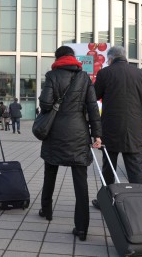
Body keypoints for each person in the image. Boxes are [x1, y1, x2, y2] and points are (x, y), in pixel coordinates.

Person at [38, 46, 102, 242]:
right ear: (73, 58)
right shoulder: (84, 77)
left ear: (58, 58)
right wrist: (97, 135)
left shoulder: (52, 75)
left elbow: (46, 104)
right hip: (78, 132)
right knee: (80, 181)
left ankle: (47, 210)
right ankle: (82, 228)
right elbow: (92, 107)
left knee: (50, 171)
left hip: (55, 131)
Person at [92, 46, 142, 209]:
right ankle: (141, 204)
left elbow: (94, 97)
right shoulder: (141, 74)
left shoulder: (105, 73)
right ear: (125, 57)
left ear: (111, 58)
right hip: (134, 131)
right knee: (136, 170)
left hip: (110, 130)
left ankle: (105, 201)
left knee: (109, 168)